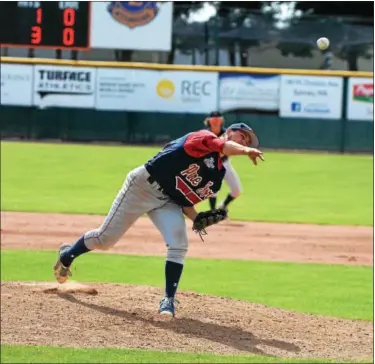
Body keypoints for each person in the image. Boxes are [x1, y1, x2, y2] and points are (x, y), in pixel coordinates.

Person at [53, 123, 264, 317]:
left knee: (179, 243)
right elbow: (220, 145)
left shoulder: (217, 176)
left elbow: (184, 199)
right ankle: (67, 254)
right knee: (105, 239)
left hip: (168, 201)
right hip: (141, 188)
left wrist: (197, 218)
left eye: (248, 141)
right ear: (229, 132)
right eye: (242, 136)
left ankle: (168, 300)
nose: (245, 141)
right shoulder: (204, 137)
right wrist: (247, 151)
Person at [204, 112, 256, 212]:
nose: (215, 121)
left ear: (221, 120)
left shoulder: (227, 134)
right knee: (213, 190)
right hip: (210, 165)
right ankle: (213, 212)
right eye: (213, 119)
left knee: (236, 190)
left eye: (217, 119)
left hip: (225, 164)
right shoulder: (205, 135)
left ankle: (223, 206)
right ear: (208, 121)